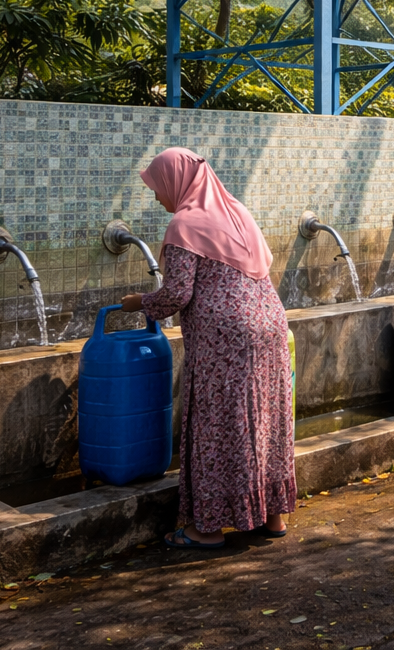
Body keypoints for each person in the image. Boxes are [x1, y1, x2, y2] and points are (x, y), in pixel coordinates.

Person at [121, 147, 296, 549]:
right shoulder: (238, 212)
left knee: (220, 425)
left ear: (176, 182)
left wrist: (139, 303)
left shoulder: (185, 223)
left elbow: (177, 294)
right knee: (263, 418)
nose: (157, 198)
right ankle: (271, 518)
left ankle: (208, 529)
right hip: (270, 327)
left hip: (226, 340)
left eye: (157, 188)